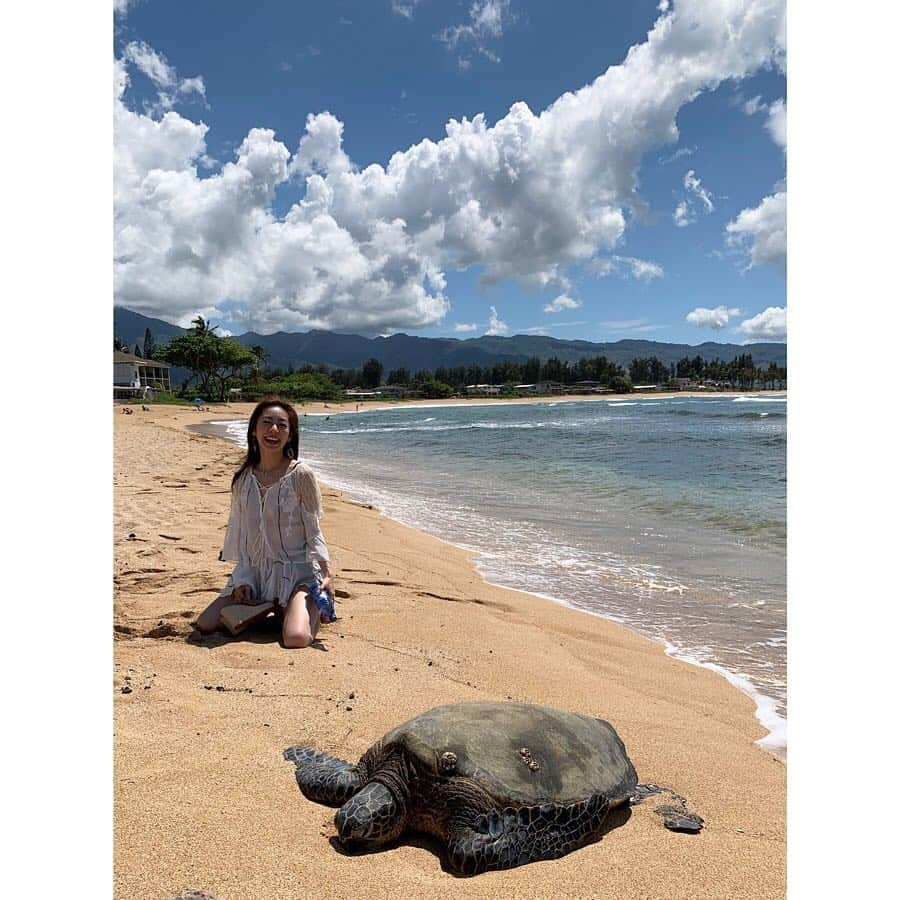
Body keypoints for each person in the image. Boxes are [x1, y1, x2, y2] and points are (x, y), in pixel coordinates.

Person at [195, 397, 334, 647]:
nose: (273, 430)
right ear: (253, 430)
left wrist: (326, 573)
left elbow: (314, 530)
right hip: (257, 574)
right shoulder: (242, 480)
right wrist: (243, 580)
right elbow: (245, 539)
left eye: (282, 425)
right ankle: (272, 606)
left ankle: (312, 602)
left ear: (290, 435)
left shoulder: (301, 474)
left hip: (297, 573)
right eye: (267, 423)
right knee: (206, 623)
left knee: (296, 638)